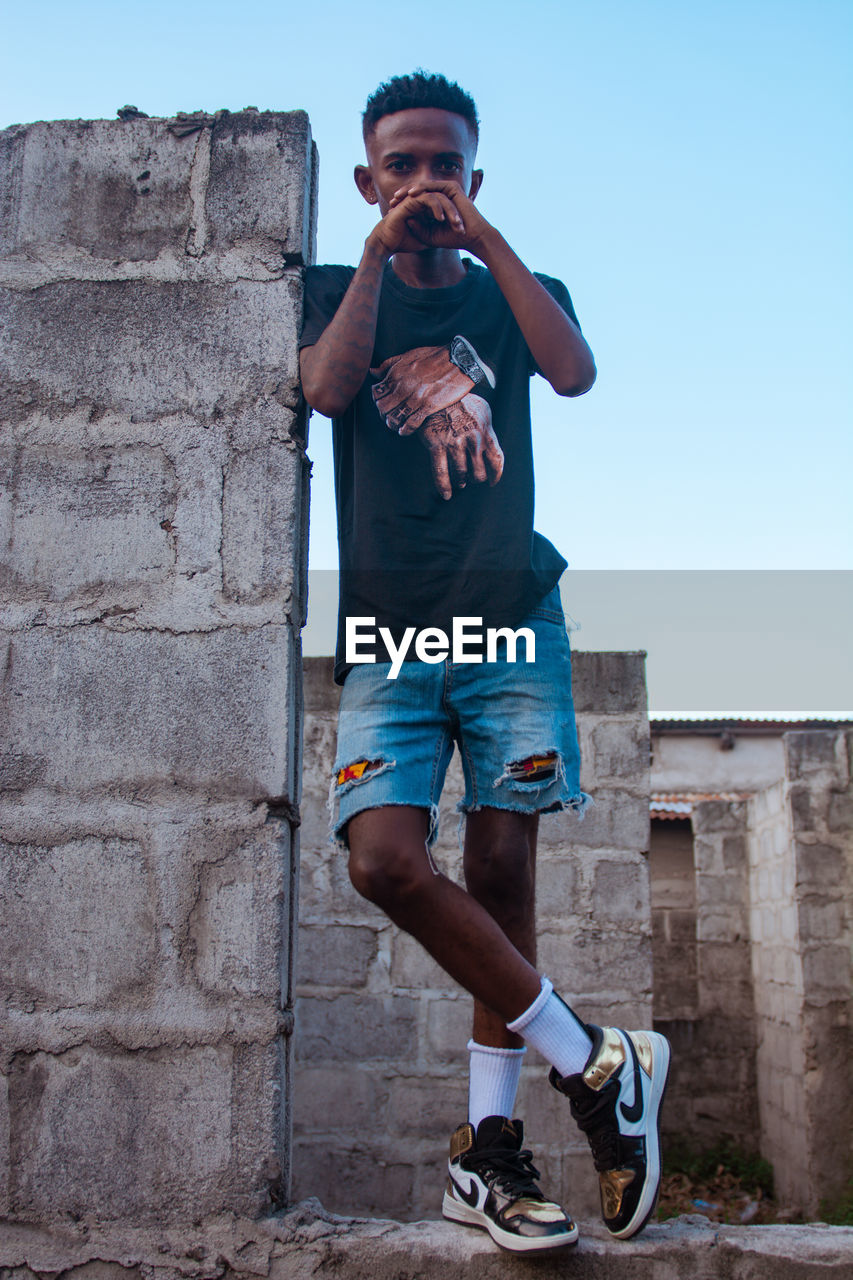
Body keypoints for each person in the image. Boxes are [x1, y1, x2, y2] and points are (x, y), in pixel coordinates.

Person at [299, 70, 669, 1254]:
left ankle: (489, 1152)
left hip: (514, 615)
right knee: (385, 860)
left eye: (445, 165)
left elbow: (573, 371)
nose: (423, 184)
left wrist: (488, 239)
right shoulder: (330, 290)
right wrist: (370, 258)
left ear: (474, 176)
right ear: (368, 181)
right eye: (401, 165)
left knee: (501, 867)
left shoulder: (517, 289)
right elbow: (322, 390)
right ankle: (592, 1061)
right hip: (391, 639)